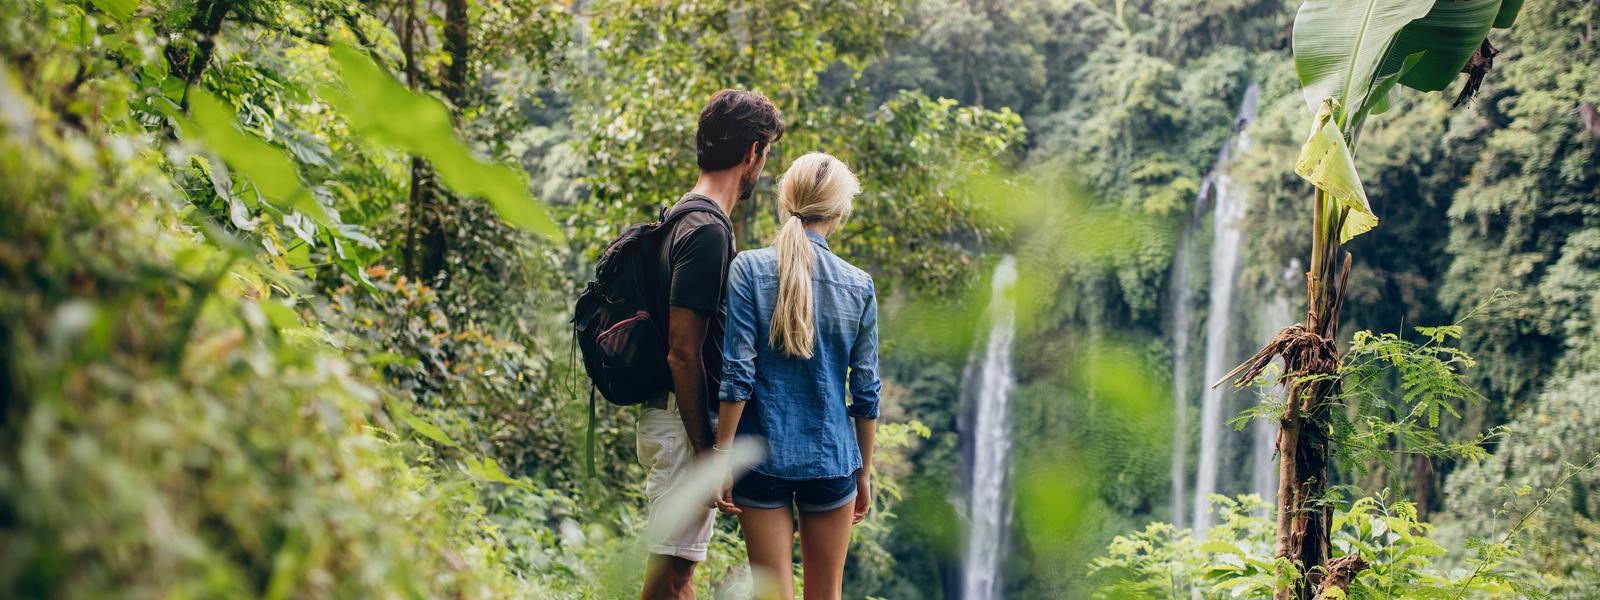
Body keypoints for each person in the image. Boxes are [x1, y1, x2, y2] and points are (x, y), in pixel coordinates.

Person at [713, 153, 881, 600]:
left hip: (760, 459)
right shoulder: (858, 285)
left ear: (785, 201)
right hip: (831, 460)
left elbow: (737, 375)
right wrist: (864, 472)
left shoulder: (748, 269)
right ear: (840, 211)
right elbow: (866, 393)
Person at [639, 89, 785, 600]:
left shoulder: (683, 214)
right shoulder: (707, 232)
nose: (762, 167)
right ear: (752, 151)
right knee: (673, 575)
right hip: (685, 426)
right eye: (765, 154)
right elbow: (683, 350)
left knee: (677, 571)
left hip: (675, 420)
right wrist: (708, 449)